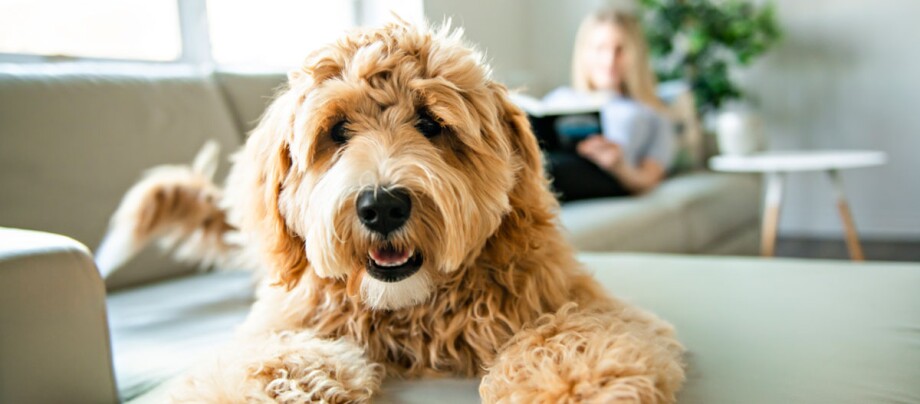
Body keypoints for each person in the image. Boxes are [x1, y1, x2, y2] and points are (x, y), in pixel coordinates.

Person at [543, 9, 675, 202]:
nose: (609, 60)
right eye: (600, 48)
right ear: (584, 52)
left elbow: (649, 178)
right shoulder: (558, 98)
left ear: (636, 55)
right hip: (546, 164)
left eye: (620, 49)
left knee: (546, 169)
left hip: (605, 176)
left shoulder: (651, 112)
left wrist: (619, 166)